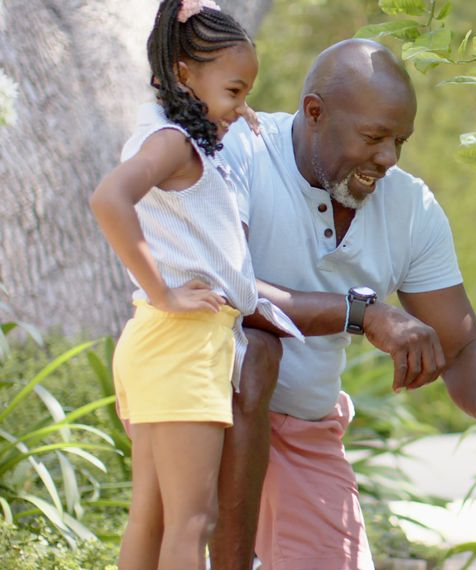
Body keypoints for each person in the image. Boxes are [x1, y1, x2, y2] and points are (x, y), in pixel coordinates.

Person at [208, 38, 476, 570]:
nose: (387, 159)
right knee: (252, 351)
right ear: (314, 112)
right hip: (204, 411)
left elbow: (462, 348)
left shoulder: (411, 209)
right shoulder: (242, 151)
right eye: (373, 137)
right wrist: (364, 314)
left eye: (400, 142)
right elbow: (226, 289)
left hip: (303, 424)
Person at [88, 1, 299, 568]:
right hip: (181, 343)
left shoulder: (170, 132)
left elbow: (202, 159)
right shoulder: (174, 143)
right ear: (185, 74)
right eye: (235, 91)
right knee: (193, 519)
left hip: (161, 342)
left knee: (154, 518)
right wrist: (164, 291)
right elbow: (109, 199)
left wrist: (235, 113)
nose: (241, 106)